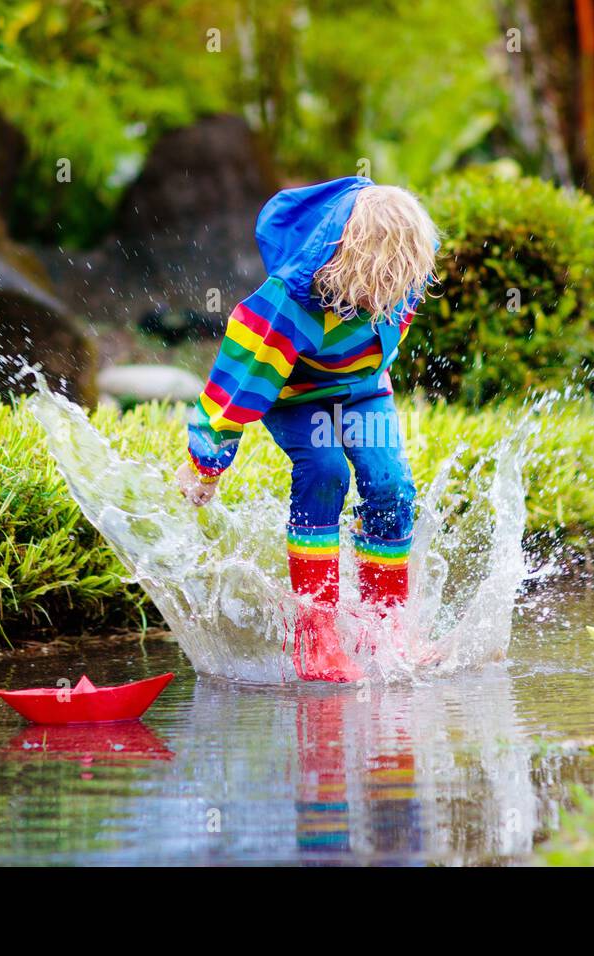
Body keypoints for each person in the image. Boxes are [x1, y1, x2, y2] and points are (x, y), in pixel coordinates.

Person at [176, 177, 439, 682]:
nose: (392, 296)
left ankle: (386, 629)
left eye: (402, 281)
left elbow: (386, 321)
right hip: (297, 397)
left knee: (391, 486)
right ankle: (315, 637)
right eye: (379, 282)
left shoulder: (405, 272)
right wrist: (206, 464)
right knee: (325, 471)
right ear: (345, 261)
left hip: (363, 390)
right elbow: (234, 385)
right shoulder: (285, 304)